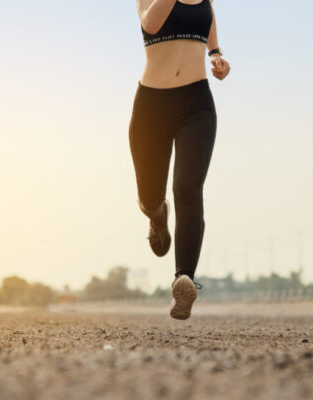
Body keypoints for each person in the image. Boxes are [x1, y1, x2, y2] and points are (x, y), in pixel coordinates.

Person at [130, 0, 231, 320]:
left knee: (188, 187)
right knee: (148, 196)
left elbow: (208, 12)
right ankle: (156, 216)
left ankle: (183, 278)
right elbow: (151, 24)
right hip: (152, 106)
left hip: (197, 104)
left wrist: (216, 53)